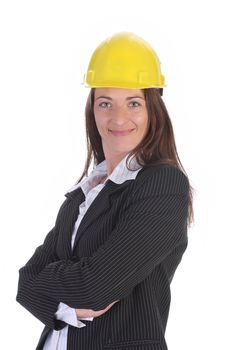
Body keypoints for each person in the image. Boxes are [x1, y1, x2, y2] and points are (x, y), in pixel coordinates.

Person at [16, 32, 194, 350]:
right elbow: (25, 283)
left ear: (154, 110)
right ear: (93, 111)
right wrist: (62, 304)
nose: (118, 118)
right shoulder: (85, 193)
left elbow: (94, 286)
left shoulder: (163, 185)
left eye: (134, 103)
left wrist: (49, 280)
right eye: (105, 103)